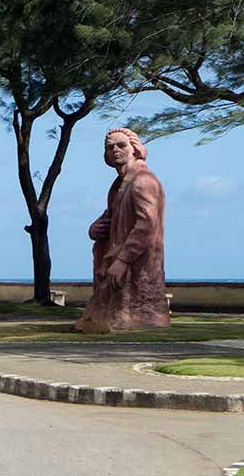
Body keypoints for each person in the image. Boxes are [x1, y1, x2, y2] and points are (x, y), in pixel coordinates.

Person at [75, 128, 169, 333]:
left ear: (135, 148)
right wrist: (94, 230)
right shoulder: (118, 185)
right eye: (110, 147)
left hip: (136, 262)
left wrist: (122, 261)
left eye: (121, 145)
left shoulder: (143, 181)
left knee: (131, 306)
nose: (115, 150)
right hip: (114, 259)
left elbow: (146, 225)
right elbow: (110, 218)